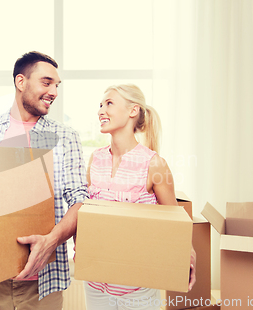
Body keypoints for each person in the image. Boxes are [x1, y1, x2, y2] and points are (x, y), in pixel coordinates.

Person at [0, 51, 88, 309]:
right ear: (21, 82)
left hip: (43, 285)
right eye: (47, 82)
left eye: (57, 85)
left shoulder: (66, 137)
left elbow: (81, 201)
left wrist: (51, 241)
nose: (54, 91)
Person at [82, 84, 196, 310]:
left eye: (109, 103)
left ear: (133, 111)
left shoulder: (154, 164)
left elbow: (175, 223)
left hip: (137, 288)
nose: (101, 110)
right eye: (101, 105)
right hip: (95, 284)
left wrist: (188, 255)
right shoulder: (95, 159)